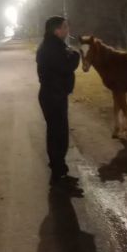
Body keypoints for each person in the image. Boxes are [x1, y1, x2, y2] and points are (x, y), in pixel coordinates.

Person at [36, 16, 81, 188]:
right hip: (53, 96)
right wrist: (76, 55)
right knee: (58, 136)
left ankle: (59, 170)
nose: (67, 30)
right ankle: (58, 176)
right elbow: (67, 66)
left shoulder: (53, 45)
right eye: (65, 27)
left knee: (58, 135)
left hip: (54, 95)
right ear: (56, 31)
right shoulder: (51, 47)